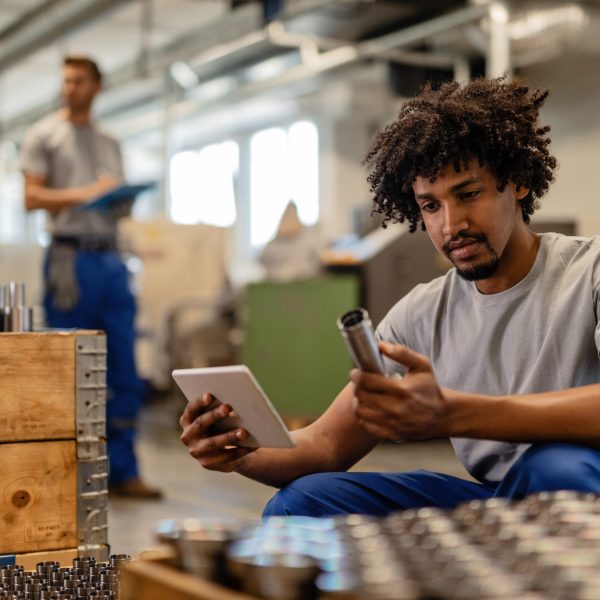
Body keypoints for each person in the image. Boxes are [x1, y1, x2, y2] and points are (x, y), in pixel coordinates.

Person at [180, 75, 600, 517]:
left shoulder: (589, 271)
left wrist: (453, 413)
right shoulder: (420, 314)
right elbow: (324, 444)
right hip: (499, 504)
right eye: (430, 205)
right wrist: (238, 450)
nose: (451, 224)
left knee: (556, 467)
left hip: (579, 490)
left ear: (517, 183)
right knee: (301, 503)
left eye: (469, 193)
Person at [20, 55, 162, 499]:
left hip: (110, 259)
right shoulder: (44, 134)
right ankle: (63, 477)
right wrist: (86, 194)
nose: (69, 87)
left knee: (121, 364)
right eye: (65, 80)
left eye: (78, 80)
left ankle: (124, 469)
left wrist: (119, 200)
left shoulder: (109, 141)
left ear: (97, 85)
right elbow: (30, 197)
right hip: (70, 261)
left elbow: (110, 197)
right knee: (68, 366)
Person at [258, 201, 322, 281]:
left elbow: (318, 264)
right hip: (277, 286)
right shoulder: (272, 245)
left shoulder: (309, 241)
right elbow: (263, 262)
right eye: (287, 216)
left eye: (292, 216)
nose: (289, 220)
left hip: (303, 285)